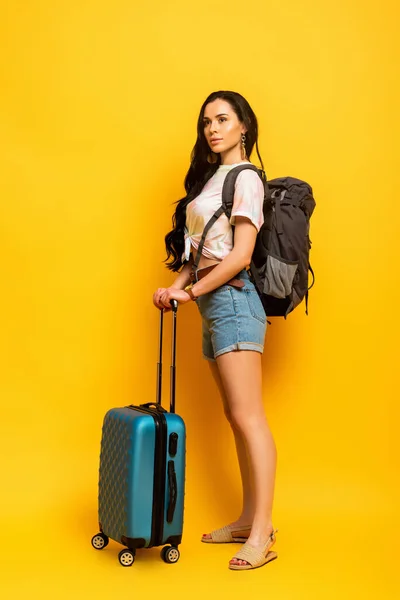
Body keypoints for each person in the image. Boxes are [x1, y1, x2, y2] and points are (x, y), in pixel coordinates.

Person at [152, 91, 278, 571]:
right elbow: (201, 249)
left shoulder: (245, 178)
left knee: (250, 418)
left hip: (234, 301)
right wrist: (176, 286)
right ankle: (248, 519)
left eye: (223, 119)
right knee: (235, 417)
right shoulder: (211, 181)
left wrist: (194, 289)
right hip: (211, 303)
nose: (213, 128)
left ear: (244, 126)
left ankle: (262, 532)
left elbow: (241, 253)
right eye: (207, 121)